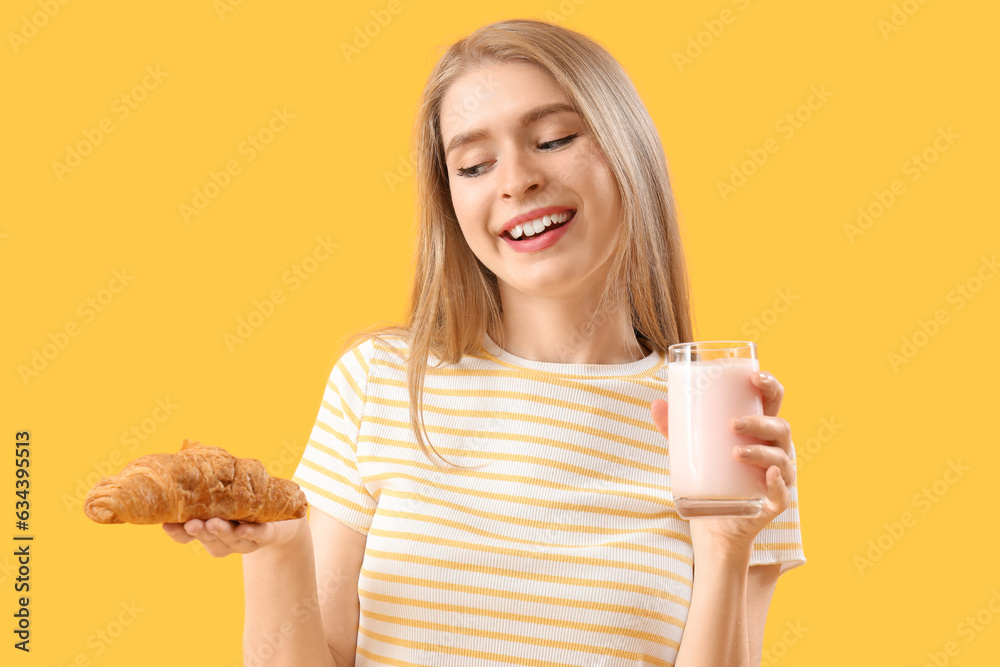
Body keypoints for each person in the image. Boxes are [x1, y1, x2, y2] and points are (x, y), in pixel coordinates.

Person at [163, 18, 805, 666]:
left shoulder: (718, 422)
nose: (516, 179)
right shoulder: (380, 382)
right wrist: (278, 552)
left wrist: (726, 545)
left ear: (627, 147)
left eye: (552, 138)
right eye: (474, 164)